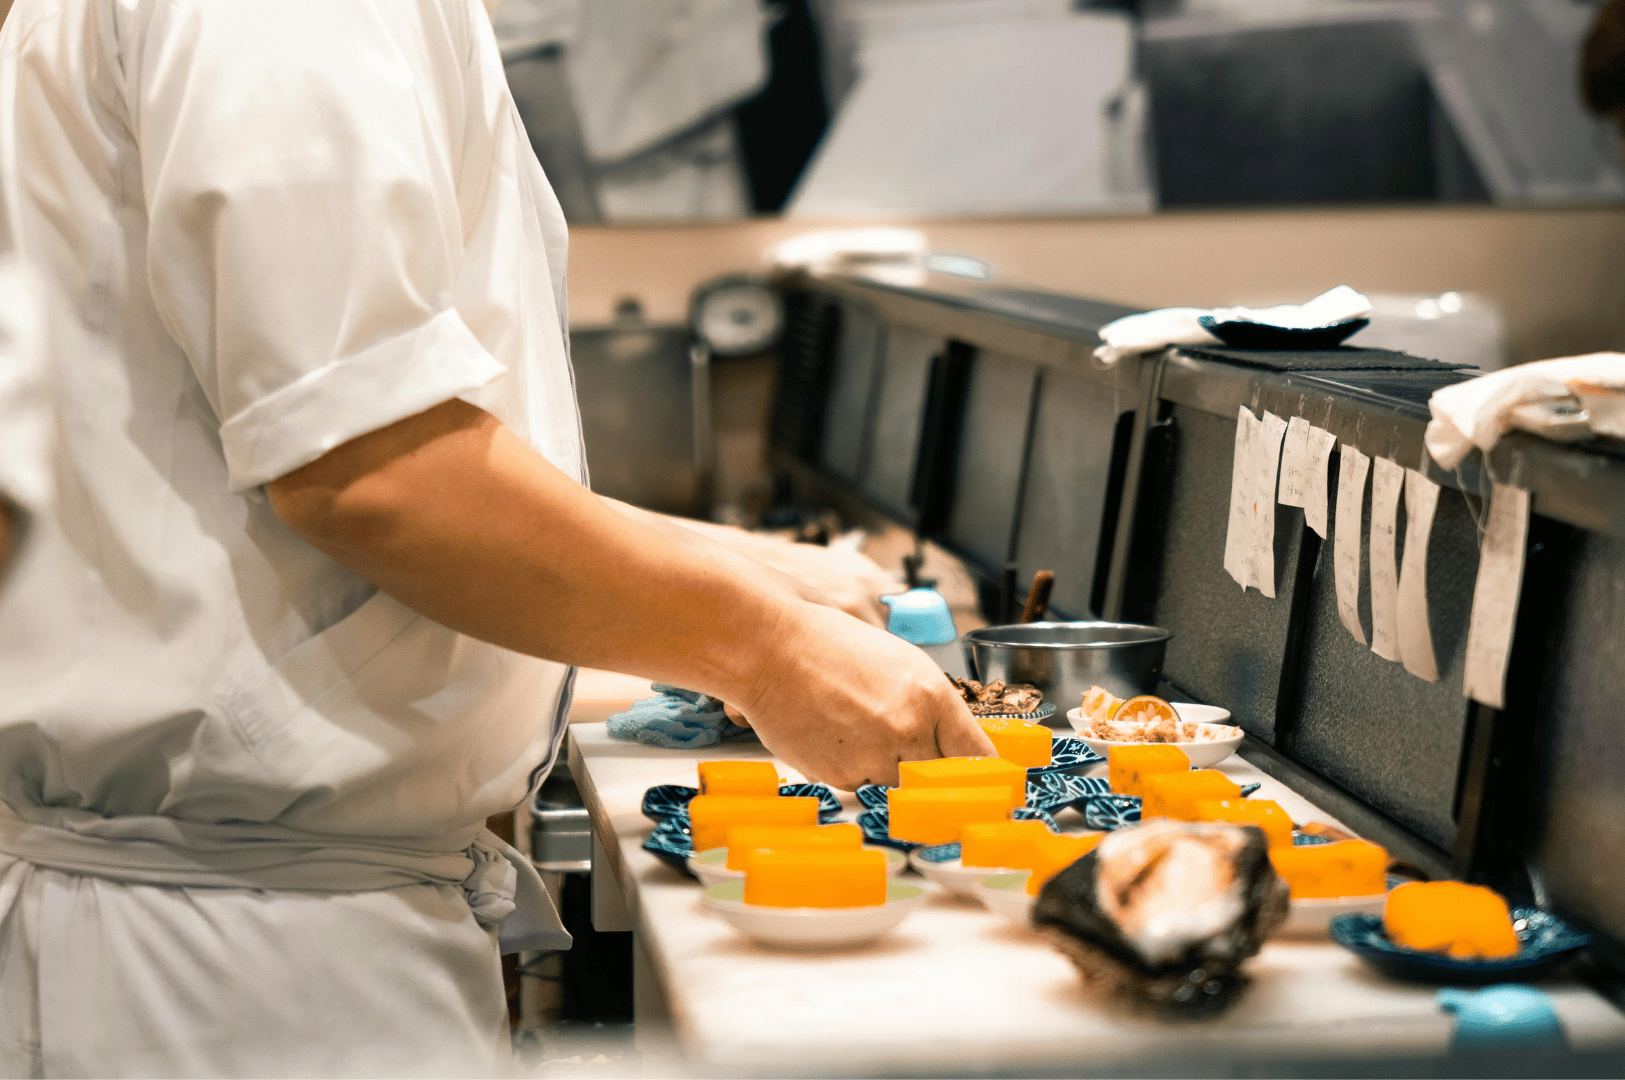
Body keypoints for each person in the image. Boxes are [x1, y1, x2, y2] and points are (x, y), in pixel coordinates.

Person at [0, 0, 991, 1075]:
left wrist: (734, 570)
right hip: (232, 962)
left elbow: (332, 440)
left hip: (251, 916)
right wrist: (767, 651)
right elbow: (375, 478)